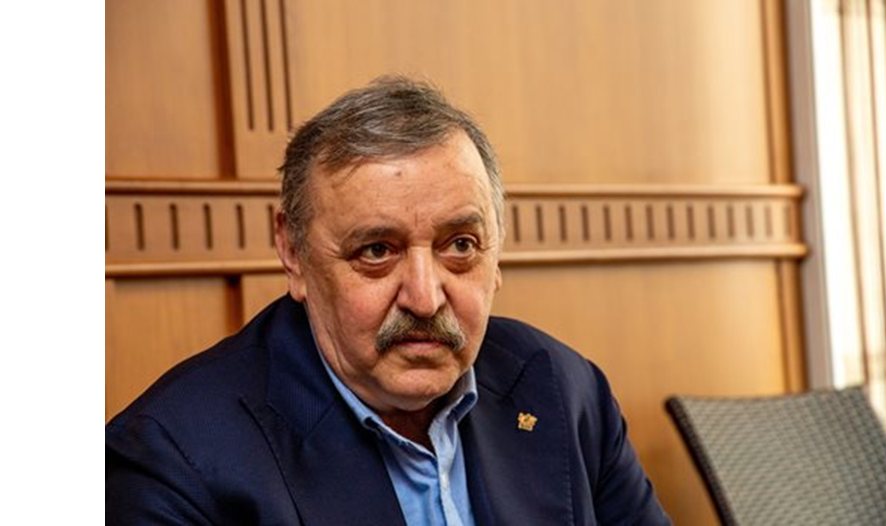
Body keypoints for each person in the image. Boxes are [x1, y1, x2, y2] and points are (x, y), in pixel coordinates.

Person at [106, 76, 672, 525]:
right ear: (294, 252)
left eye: (460, 246)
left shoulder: (565, 390)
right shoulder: (173, 458)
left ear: (497, 250)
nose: (425, 299)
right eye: (376, 251)